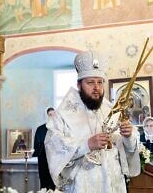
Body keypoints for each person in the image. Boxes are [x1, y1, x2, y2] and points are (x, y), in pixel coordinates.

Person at [44, 50, 140, 192]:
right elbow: (53, 146)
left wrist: (128, 136)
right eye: (90, 82)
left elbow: (126, 148)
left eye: (100, 82)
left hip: (113, 185)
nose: (96, 88)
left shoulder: (111, 110)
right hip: (82, 186)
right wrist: (87, 144)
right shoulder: (63, 114)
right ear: (79, 85)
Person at [32, 107, 56, 191]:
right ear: (46, 116)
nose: (52, 117)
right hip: (43, 160)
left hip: (55, 161)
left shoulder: (58, 129)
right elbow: (36, 145)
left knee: (54, 183)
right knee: (44, 184)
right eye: (50, 115)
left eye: (53, 115)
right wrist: (45, 145)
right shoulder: (40, 129)